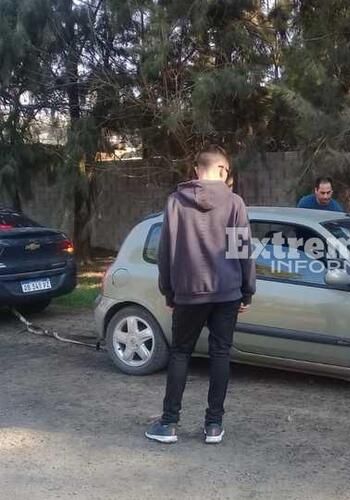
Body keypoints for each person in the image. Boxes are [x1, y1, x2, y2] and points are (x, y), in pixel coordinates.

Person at [146, 144, 256, 445]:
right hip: (227, 293)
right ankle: (213, 426)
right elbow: (243, 250)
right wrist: (247, 291)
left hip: (188, 293)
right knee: (220, 354)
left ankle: (168, 425)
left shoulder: (175, 203)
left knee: (180, 353)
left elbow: (165, 252)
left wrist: (168, 291)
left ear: (197, 169)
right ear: (223, 170)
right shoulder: (235, 203)